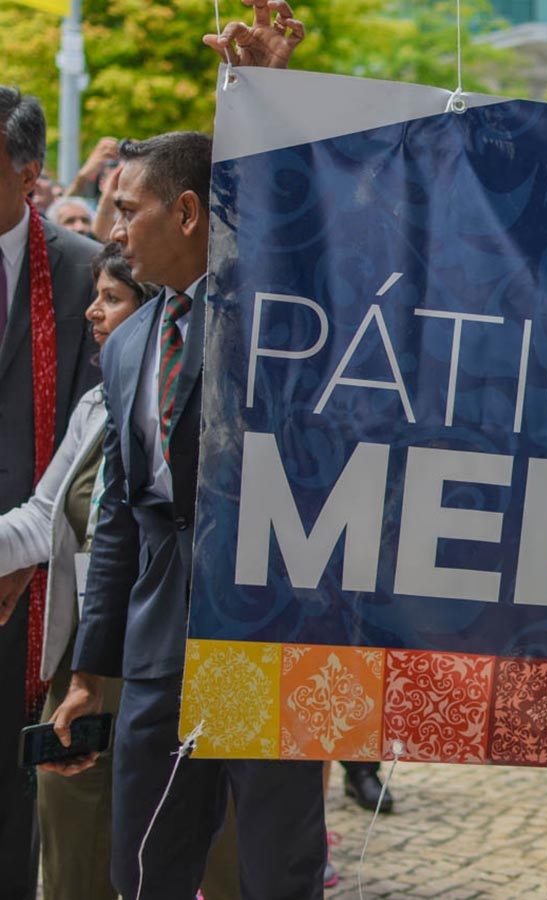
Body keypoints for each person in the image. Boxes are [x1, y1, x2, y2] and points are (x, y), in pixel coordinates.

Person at [49, 128, 326, 900]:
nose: (110, 231)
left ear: (189, 212)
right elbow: (120, 519)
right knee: (146, 867)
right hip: (156, 648)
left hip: (264, 634)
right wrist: (89, 671)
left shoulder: (276, 315)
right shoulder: (130, 341)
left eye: (126, 209)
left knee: (275, 868)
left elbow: (301, 232)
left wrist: (266, 100)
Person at [0, 84, 100, 900]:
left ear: (29, 173)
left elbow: (89, 450)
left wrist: (28, 558)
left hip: (31, 582)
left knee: (16, 788)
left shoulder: (79, 275)